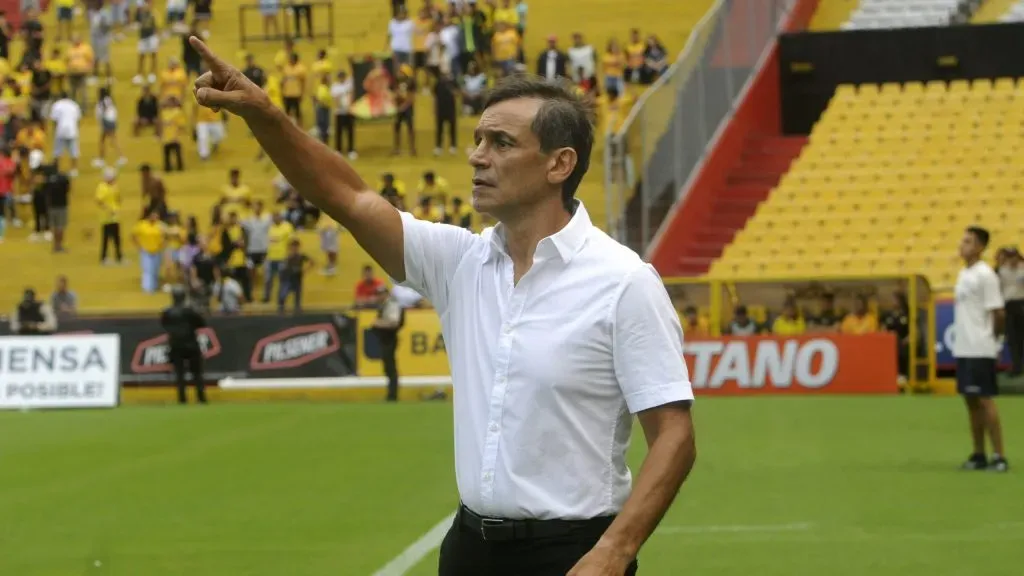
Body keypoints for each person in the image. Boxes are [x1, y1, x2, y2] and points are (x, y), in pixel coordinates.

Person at [191, 37, 695, 574]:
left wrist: (614, 552)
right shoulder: (461, 262)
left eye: (501, 143)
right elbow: (348, 197)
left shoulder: (623, 282)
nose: (477, 155)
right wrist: (265, 114)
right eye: (478, 140)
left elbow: (674, 435)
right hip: (468, 550)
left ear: (559, 164)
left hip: (572, 554)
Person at [954, 226, 1008, 472]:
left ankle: (999, 456)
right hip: (964, 347)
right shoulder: (964, 273)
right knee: (970, 401)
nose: (962, 245)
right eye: (962, 240)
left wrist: (993, 341)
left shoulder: (986, 275)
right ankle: (978, 454)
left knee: (985, 400)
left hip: (980, 347)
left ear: (980, 247)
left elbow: (998, 313)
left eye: (968, 241)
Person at [160, 286, 208, 404]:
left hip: (175, 345)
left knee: (179, 374)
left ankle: (182, 399)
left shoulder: (167, 312)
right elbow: (202, 323)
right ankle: (201, 398)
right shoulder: (190, 311)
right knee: (197, 373)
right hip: (191, 344)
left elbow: (164, 325)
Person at [372, 285, 404, 402]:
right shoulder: (385, 305)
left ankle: (392, 395)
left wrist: (378, 323)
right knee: (388, 366)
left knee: (390, 367)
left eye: (381, 294)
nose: (379, 296)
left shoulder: (391, 304)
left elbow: (394, 322)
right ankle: (391, 394)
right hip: (385, 338)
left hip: (389, 338)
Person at [996, 246, 1024, 377]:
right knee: (1012, 337)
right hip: (1008, 305)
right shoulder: (1002, 271)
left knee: (1021, 336)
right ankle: (1017, 366)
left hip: (1022, 303)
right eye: (1009, 257)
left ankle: (1019, 365)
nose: (1012, 259)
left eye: (1014, 256)